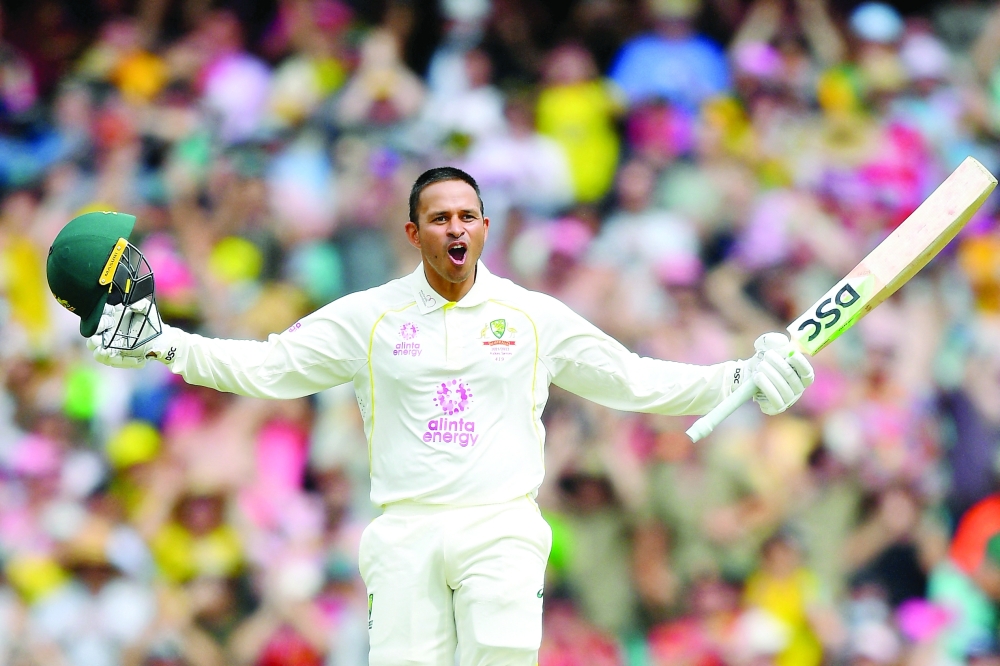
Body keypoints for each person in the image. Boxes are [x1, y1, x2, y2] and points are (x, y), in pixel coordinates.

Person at [50, 167, 814, 666]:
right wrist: (167, 343)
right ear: (413, 234)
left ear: (485, 228)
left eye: (467, 216)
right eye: (438, 217)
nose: (455, 229)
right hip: (406, 531)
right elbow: (268, 368)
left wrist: (739, 377)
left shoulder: (532, 315)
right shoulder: (369, 318)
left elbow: (634, 381)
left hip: (501, 526)